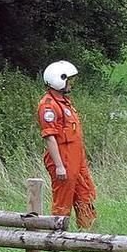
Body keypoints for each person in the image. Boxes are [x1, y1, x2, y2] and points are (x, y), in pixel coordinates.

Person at [36, 60, 97, 228]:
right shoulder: (48, 106)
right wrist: (59, 166)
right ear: (59, 80)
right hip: (63, 159)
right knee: (63, 199)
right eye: (69, 80)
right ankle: (57, 237)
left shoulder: (64, 102)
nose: (71, 84)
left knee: (85, 193)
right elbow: (50, 137)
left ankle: (87, 234)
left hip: (76, 158)